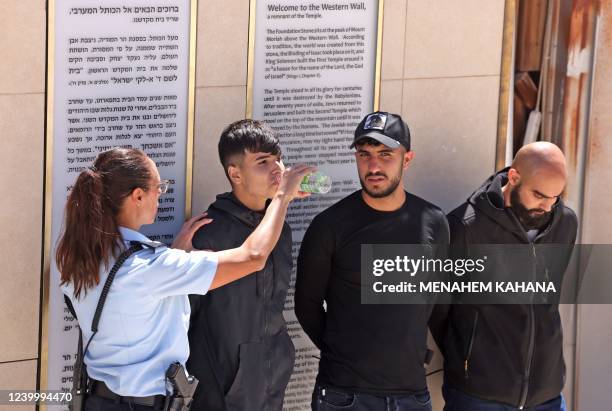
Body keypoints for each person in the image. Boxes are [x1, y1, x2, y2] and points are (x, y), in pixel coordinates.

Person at [57, 147, 313, 411]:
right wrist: (282, 196)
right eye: (160, 187)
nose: (161, 195)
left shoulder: (78, 257)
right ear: (138, 196)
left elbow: (130, 305)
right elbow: (253, 256)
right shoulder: (151, 266)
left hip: (100, 401)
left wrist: (175, 254)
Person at [295, 112, 449, 411]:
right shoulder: (330, 225)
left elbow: (436, 301)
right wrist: (345, 355)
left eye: (385, 154)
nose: (374, 166)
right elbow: (306, 305)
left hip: (412, 395)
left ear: (407, 159)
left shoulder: (433, 221)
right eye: (364, 154)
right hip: (344, 396)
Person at [431, 142, 577, 411]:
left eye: (555, 197)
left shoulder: (565, 223)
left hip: (547, 396)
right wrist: (469, 359)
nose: (547, 207)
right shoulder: (465, 228)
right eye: (539, 195)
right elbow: (440, 309)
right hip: (480, 396)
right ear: (514, 177)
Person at [187, 120, 294, 410]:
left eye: (278, 159)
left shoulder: (280, 228)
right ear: (235, 173)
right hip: (219, 393)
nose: (277, 170)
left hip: (271, 384)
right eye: (262, 162)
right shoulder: (209, 233)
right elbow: (184, 319)